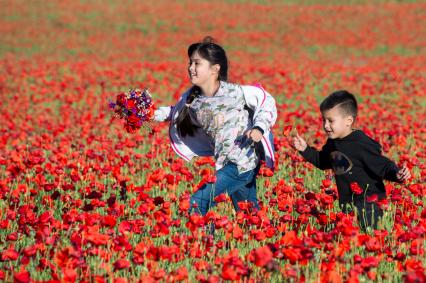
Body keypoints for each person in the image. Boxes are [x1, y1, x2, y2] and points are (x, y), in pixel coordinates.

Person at [153, 36, 277, 217]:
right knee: (249, 216)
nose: (190, 68)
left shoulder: (235, 93)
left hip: (242, 162)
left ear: (214, 69)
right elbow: (175, 113)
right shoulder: (193, 98)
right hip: (225, 162)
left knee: (197, 202)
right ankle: (270, 244)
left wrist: (259, 128)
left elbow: (266, 102)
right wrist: (148, 114)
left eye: (197, 63)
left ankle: (206, 243)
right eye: (190, 63)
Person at [291, 90, 410, 231]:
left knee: (369, 237)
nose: (326, 125)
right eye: (324, 120)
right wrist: (305, 149)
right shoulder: (333, 142)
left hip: (370, 203)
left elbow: (382, 164)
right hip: (347, 203)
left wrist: (397, 173)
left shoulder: (360, 143)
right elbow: (322, 161)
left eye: (331, 121)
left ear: (348, 121)